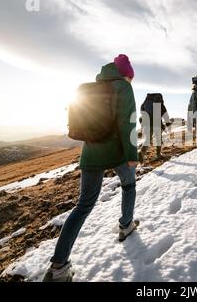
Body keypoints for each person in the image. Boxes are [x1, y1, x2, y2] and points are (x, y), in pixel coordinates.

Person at [43, 54, 139, 282]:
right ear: (127, 74)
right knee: (129, 186)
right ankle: (126, 225)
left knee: (83, 205)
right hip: (116, 154)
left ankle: (58, 267)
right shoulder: (124, 88)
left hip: (91, 153)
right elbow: (129, 123)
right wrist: (132, 156)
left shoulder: (94, 87)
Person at [138, 93, 171, 162]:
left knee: (147, 140)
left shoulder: (145, 103)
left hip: (147, 124)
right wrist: (167, 123)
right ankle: (158, 154)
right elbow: (165, 114)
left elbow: (142, 112)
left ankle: (142, 153)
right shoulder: (160, 104)